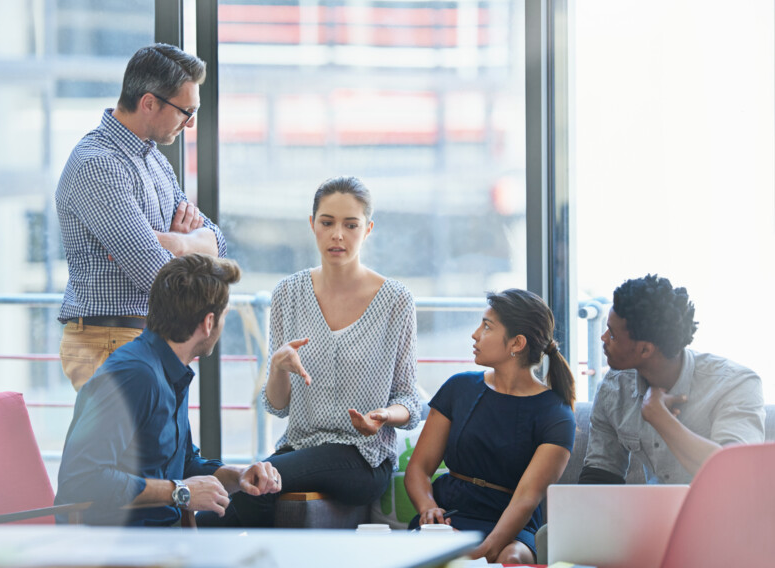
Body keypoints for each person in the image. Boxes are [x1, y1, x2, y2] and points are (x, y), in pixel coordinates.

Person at [197, 176, 421, 527]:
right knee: (258, 491)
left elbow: (410, 399)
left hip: (363, 458)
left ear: (368, 228)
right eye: (327, 222)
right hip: (299, 450)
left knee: (253, 483)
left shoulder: (396, 300)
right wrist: (277, 369)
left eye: (351, 225)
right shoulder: (288, 293)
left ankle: (185, 539)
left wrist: (382, 417)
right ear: (312, 224)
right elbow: (277, 405)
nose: (338, 235)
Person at [55, 254, 279, 526]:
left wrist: (238, 476)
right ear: (209, 323)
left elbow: (180, 464)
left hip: (161, 539)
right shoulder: (135, 375)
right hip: (115, 546)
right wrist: (180, 492)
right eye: (225, 317)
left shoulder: (169, 368)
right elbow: (82, 479)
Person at [56, 43, 226, 391]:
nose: (190, 124)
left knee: (161, 447)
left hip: (144, 338)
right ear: (148, 103)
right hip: (110, 340)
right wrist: (188, 252)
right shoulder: (99, 165)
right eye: (185, 111)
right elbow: (156, 276)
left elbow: (218, 243)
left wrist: (175, 242)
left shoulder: (154, 160)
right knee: (130, 447)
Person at [404, 289, 576, 564]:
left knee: (513, 558)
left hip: (512, 525)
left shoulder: (556, 413)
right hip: (450, 514)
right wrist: (429, 510)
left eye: (487, 326)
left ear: (516, 343)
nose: (475, 334)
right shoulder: (458, 388)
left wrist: (485, 550)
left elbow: (526, 498)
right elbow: (418, 470)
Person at [579, 274, 765, 485]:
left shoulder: (735, 384)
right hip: (656, 513)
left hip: (724, 514)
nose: (602, 338)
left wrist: (660, 418)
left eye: (612, 334)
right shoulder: (614, 388)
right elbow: (600, 474)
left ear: (645, 349)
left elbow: (735, 475)